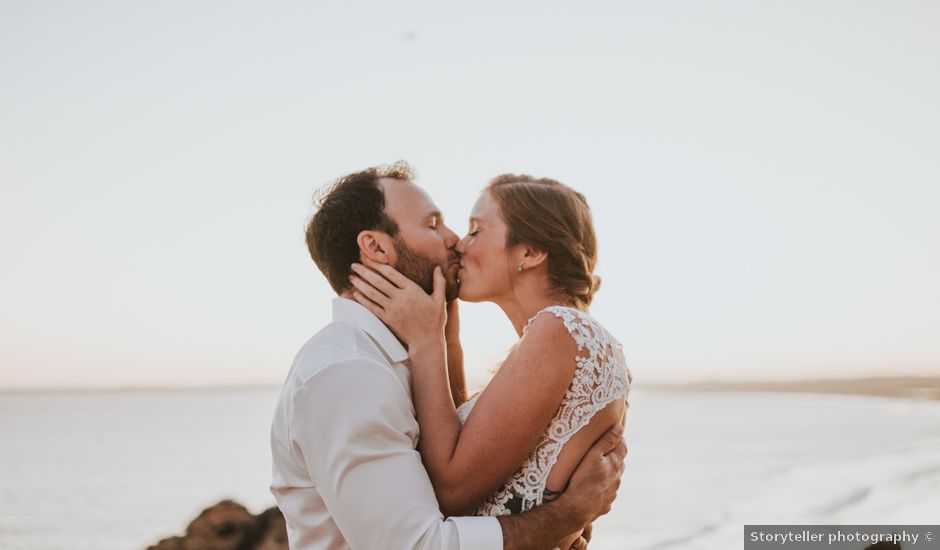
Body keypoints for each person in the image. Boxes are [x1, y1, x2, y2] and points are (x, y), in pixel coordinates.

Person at [270, 162, 628, 550]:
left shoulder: (556, 332)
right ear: (375, 247)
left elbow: (457, 480)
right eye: (433, 224)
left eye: (475, 229)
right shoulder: (349, 371)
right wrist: (564, 518)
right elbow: (436, 521)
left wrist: (437, 343)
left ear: (530, 252)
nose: (457, 240)